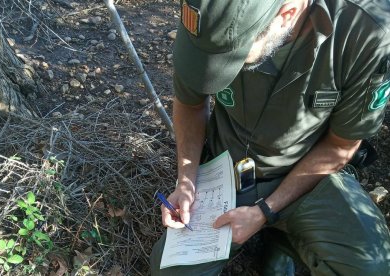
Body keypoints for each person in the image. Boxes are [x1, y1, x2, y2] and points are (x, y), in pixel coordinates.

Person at [151, 0, 390, 275]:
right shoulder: (210, 12)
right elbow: (191, 104)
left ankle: (282, 240)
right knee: (168, 271)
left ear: (287, 14)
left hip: (307, 178)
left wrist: (265, 211)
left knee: (370, 267)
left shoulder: (367, 32)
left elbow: (341, 145)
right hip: (227, 175)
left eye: (235, 58)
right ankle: (279, 236)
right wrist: (187, 181)